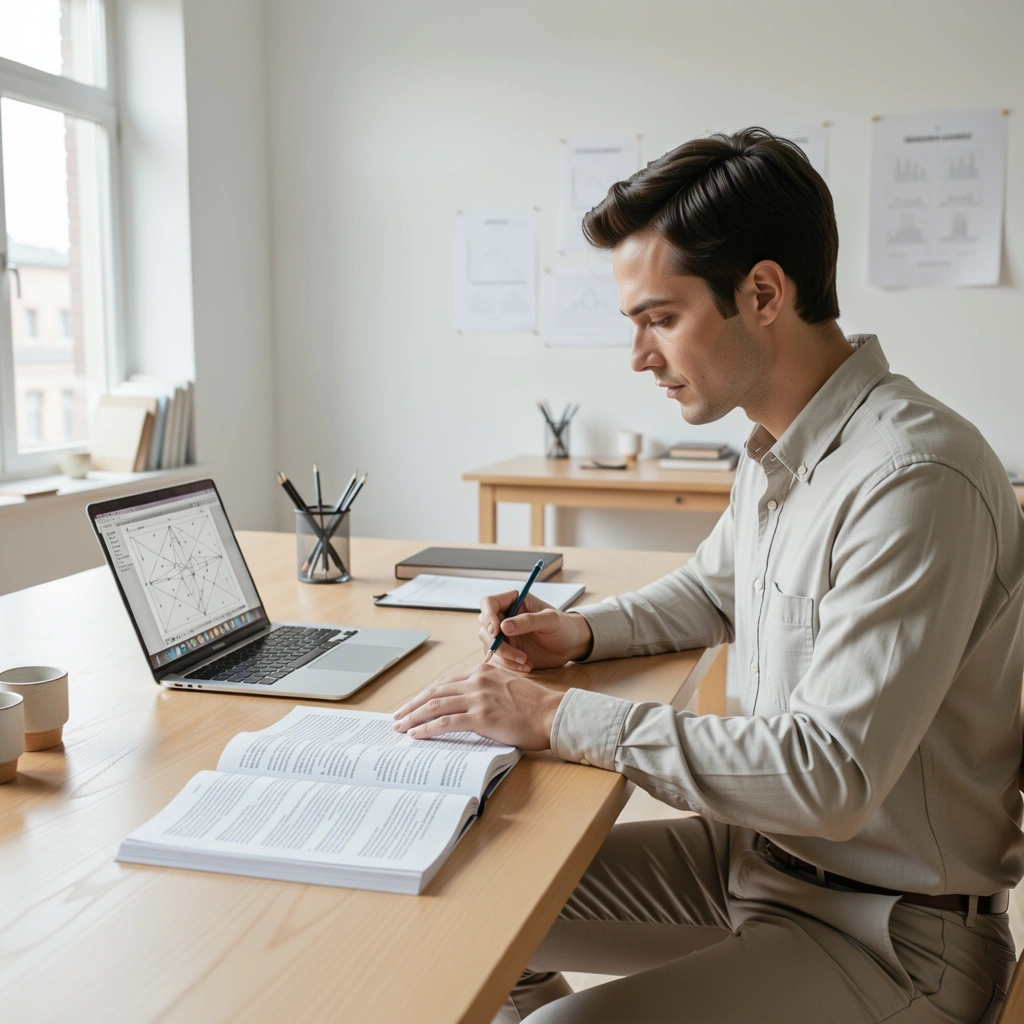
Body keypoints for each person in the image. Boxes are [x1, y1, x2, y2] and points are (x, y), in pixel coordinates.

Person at [393, 128, 1024, 1022]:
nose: (639, 356)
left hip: (893, 937)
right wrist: (582, 632)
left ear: (763, 293)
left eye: (660, 319)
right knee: (466, 891)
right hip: (754, 862)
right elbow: (712, 590)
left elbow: (828, 775)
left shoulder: (913, 478)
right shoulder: (777, 449)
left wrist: (557, 718)